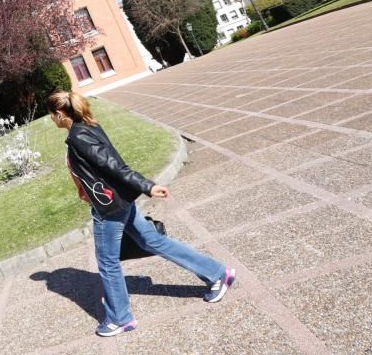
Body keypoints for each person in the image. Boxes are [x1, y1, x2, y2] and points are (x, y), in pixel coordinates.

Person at [47, 90, 235, 337]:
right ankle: (218, 273)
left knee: (107, 262)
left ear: (59, 114)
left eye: (52, 116)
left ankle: (119, 318)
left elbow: (114, 166)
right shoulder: (88, 127)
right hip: (121, 200)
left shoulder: (78, 137)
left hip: (109, 207)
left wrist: (147, 185)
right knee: (153, 241)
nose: (52, 120)